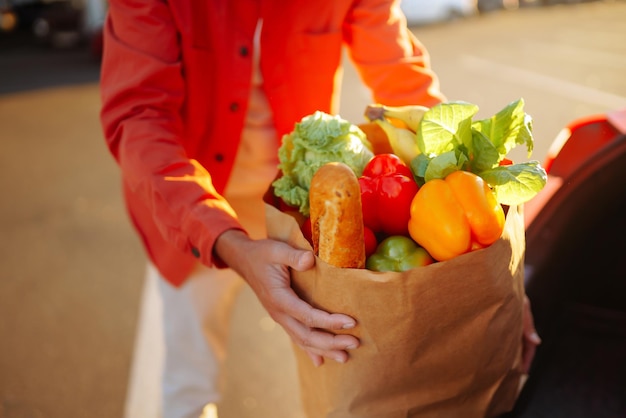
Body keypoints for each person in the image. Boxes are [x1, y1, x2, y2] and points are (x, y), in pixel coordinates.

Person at [99, 1, 541, 417]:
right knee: (187, 381)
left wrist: (489, 286)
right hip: (190, 211)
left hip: (310, 211)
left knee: (338, 369)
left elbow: (403, 78)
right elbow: (138, 116)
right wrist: (225, 239)